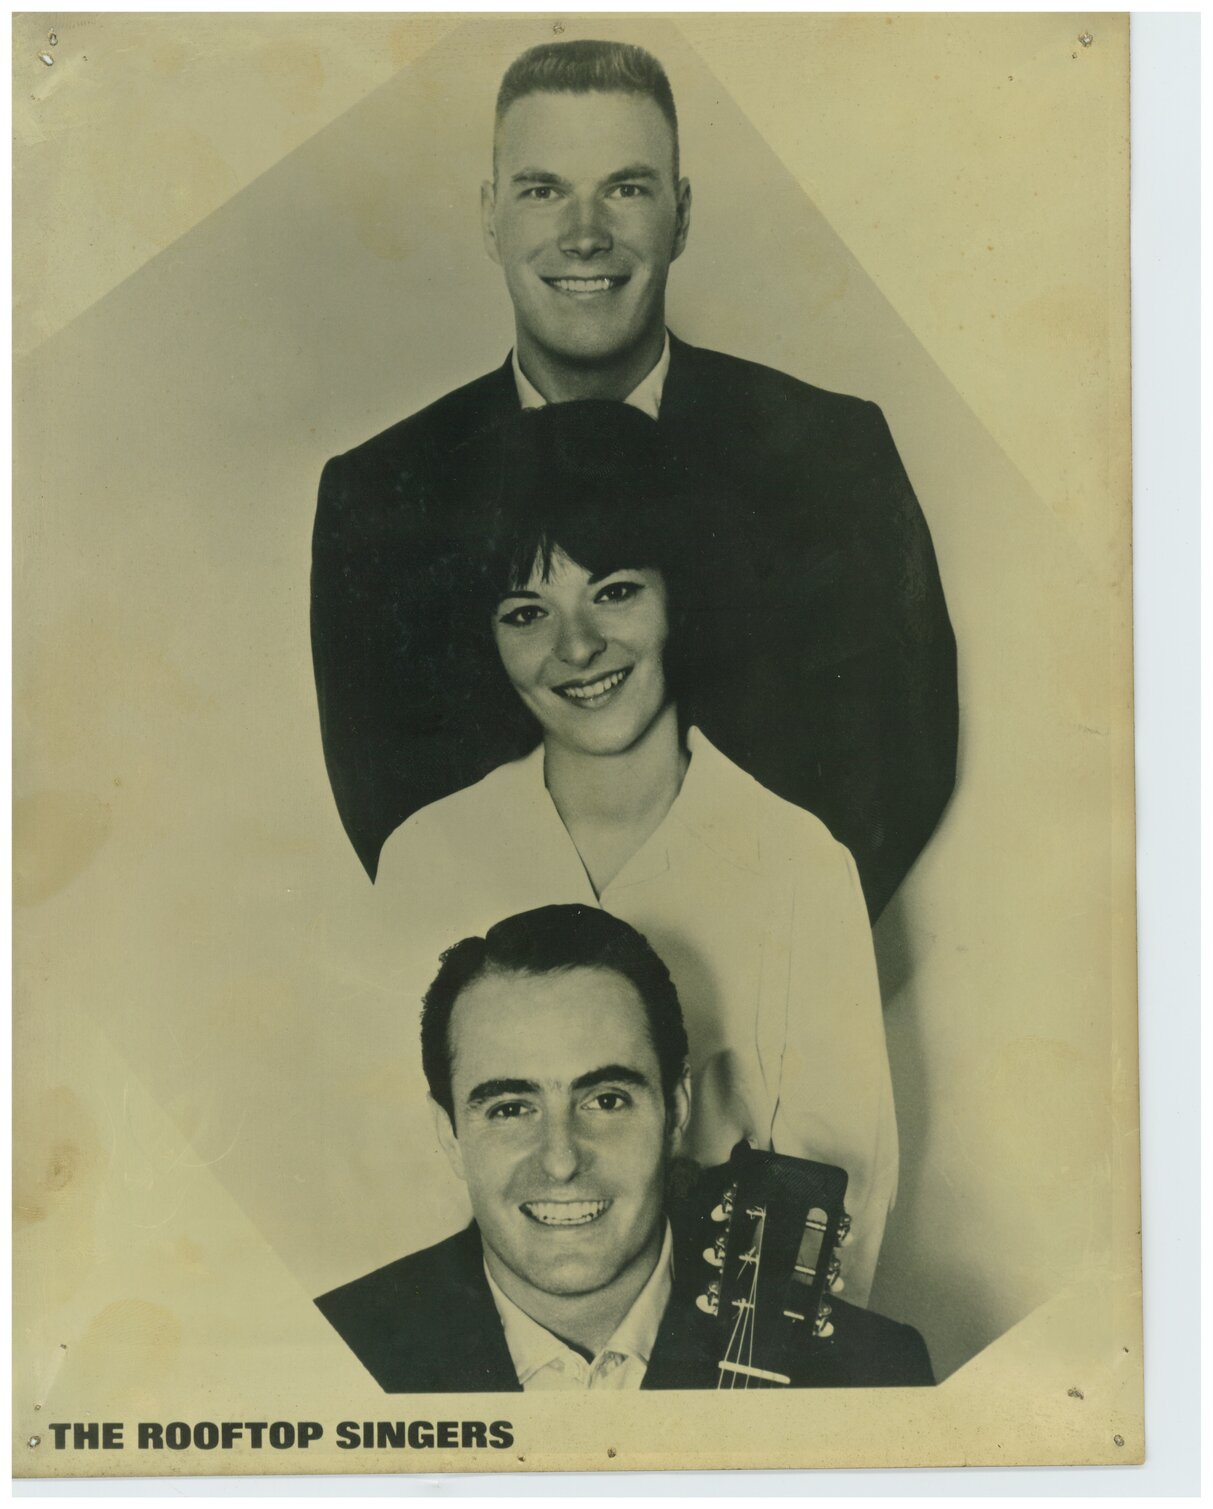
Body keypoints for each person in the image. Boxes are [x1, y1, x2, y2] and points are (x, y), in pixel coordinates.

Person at [310, 37, 958, 921]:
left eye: (625, 187)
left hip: (769, 971)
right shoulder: (380, 491)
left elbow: (896, 764)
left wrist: (745, 957)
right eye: (542, 190)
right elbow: (399, 813)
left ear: (680, 215)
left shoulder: (830, 453)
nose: (585, 234)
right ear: (490, 217)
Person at [373, 401, 897, 1305]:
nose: (576, 647)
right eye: (526, 611)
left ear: (679, 595)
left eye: (613, 591)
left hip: (717, 1352)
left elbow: (837, 1198)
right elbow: (395, 1170)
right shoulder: (427, 855)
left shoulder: (797, 861)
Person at [315, 904, 933, 1393]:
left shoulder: (877, 1372)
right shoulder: (330, 1358)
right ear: (449, 1135)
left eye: (606, 1100)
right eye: (510, 1109)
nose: (561, 1160)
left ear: (676, 1111)